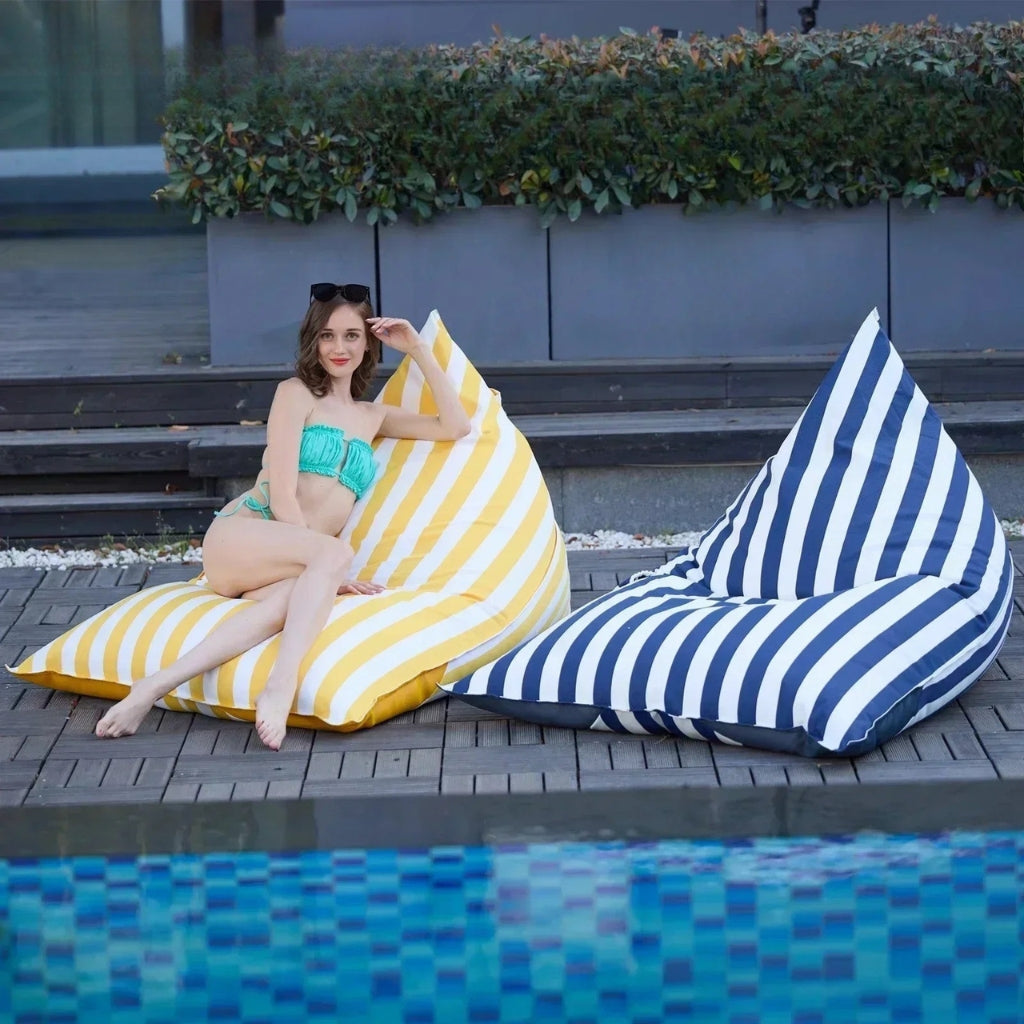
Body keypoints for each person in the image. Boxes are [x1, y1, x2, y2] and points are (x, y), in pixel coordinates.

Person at [95, 283, 471, 750]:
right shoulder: (295, 394)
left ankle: (150, 688)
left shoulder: (372, 415)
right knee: (334, 554)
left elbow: (456, 426)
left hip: (285, 562)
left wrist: (417, 349)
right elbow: (283, 492)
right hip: (245, 535)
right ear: (313, 341)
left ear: (369, 342)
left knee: (286, 605)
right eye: (329, 335)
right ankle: (281, 685)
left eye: (352, 335)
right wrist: (323, 558)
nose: (340, 347)